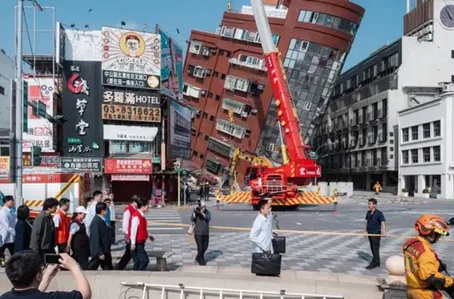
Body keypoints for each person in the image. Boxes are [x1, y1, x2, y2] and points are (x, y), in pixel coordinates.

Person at [0, 250, 91, 299]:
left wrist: (47, 276)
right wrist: (74, 266)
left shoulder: (4, 297)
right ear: (38, 276)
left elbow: (32, 294)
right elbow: (85, 294)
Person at [403, 214, 454, 299]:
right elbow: (429, 277)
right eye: (438, 234)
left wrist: (436, 265)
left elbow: (417, 264)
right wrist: (449, 282)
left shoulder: (410, 244)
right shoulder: (425, 251)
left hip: (412, 290)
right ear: (432, 234)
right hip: (426, 294)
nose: (438, 237)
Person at [114, 195, 139, 270]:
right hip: (130, 234)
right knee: (129, 253)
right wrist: (126, 235)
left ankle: (120, 266)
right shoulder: (128, 209)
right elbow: (125, 223)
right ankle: (120, 266)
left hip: (133, 234)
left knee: (129, 253)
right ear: (134, 202)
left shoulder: (134, 209)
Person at [130, 198, 154, 271]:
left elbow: (143, 228)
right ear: (143, 206)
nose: (148, 207)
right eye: (147, 205)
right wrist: (133, 243)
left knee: (138, 261)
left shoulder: (141, 215)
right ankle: (139, 274)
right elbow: (133, 230)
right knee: (144, 260)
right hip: (137, 243)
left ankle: (136, 274)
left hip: (141, 241)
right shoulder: (136, 216)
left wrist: (149, 235)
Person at [88, 202, 112, 270]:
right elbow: (95, 238)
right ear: (102, 211)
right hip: (100, 251)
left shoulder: (101, 220)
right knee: (92, 267)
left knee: (108, 267)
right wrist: (99, 252)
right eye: (106, 210)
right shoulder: (96, 222)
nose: (107, 211)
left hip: (105, 249)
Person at [364, 198, 386, 270]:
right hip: (370, 233)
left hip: (376, 233)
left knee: (375, 248)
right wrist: (365, 231)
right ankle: (377, 261)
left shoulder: (379, 213)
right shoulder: (368, 212)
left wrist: (383, 231)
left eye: (370, 204)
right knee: (372, 248)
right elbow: (367, 222)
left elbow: (383, 222)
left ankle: (375, 263)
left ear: (375, 205)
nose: (368, 205)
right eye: (368, 204)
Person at [191, 201, 211, 265]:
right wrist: (194, 212)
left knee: (205, 247)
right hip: (198, 233)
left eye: (204, 207)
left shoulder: (207, 212)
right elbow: (192, 219)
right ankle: (202, 261)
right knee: (200, 247)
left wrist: (203, 213)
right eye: (201, 207)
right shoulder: (196, 212)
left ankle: (197, 257)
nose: (202, 208)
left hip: (205, 232)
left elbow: (208, 218)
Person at [0, 196, 16, 265]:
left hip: (9, 237)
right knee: (1, 252)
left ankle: (16, 263)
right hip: (4, 236)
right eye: (12, 201)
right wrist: (15, 233)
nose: (13, 202)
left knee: (13, 252)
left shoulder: (9, 211)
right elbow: (7, 226)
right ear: (6, 202)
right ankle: (2, 263)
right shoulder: (3, 212)